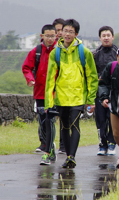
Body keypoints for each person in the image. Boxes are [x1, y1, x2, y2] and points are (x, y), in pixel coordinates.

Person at [45, 19, 98, 168]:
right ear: (61, 32)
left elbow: (92, 77)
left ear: (76, 34)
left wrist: (91, 99)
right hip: (61, 98)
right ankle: (68, 156)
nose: (67, 34)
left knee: (74, 125)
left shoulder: (84, 52)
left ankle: (71, 156)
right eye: (65, 31)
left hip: (78, 97)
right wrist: (49, 102)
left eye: (71, 32)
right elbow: (50, 80)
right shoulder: (56, 52)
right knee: (64, 128)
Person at [22, 24, 57, 165]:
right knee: (42, 122)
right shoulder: (36, 51)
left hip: (55, 94)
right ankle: (49, 145)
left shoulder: (59, 51)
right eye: (47, 36)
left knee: (51, 121)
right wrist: (30, 79)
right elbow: (26, 67)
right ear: (42, 36)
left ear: (56, 36)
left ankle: (48, 151)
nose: (50, 38)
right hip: (40, 93)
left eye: (52, 36)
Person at [93, 26, 118, 156]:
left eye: (108, 35)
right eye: (104, 36)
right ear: (100, 38)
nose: (106, 38)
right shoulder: (95, 54)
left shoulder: (118, 52)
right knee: (101, 119)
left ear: (113, 37)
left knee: (112, 118)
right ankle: (102, 144)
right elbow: (91, 73)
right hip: (99, 92)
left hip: (115, 92)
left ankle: (112, 142)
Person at [52, 18, 66, 154]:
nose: (60, 33)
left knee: (64, 118)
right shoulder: (51, 47)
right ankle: (47, 144)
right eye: (57, 30)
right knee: (48, 117)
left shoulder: (67, 48)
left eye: (62, 30)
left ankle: (63, 145)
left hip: (64, 88)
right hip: (52, 88)